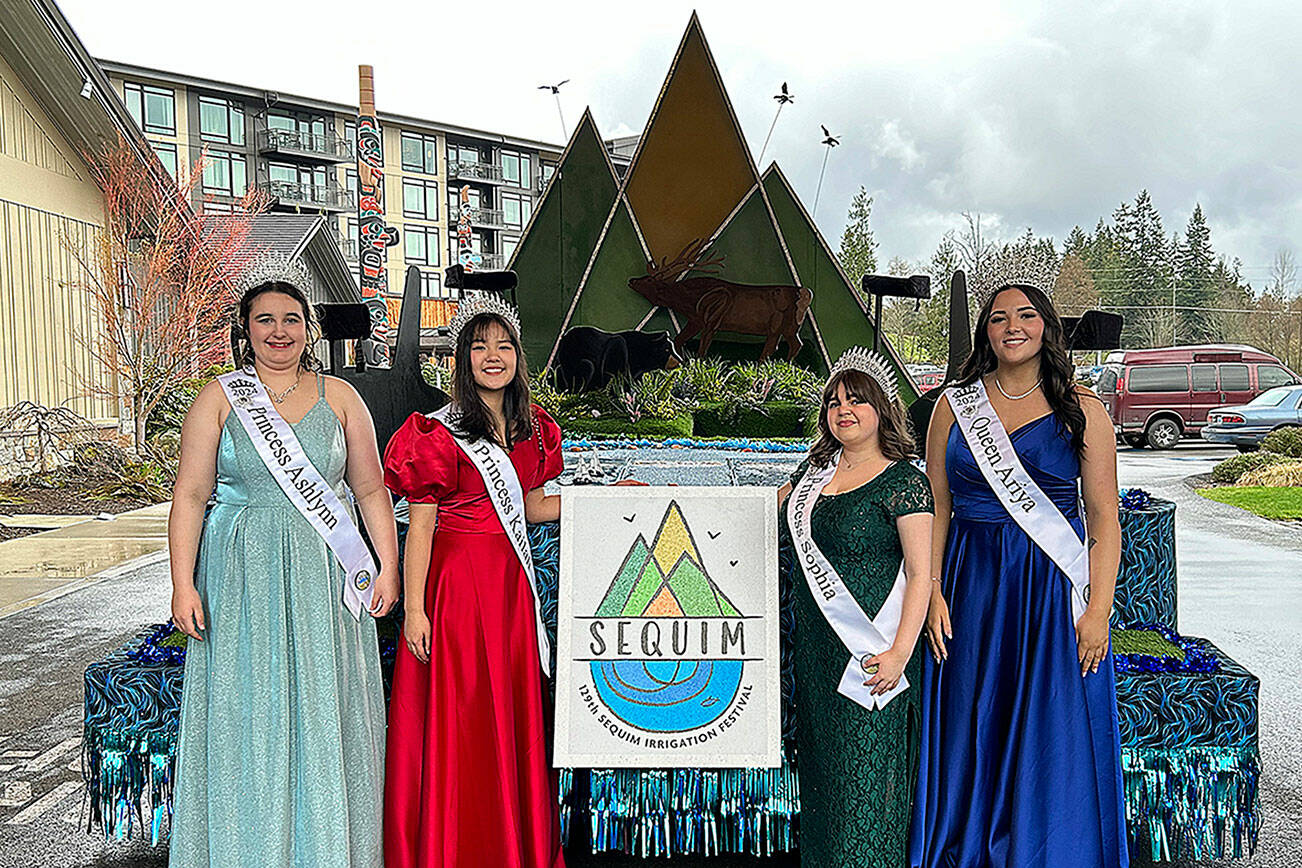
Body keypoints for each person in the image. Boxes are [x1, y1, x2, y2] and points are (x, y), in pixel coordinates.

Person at [167, 268, 400, 868]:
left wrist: (390, 567)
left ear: (309, 329)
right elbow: (190, 495)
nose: (279, 331)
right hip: (244, 579)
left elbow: (371, 490)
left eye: (291, 319)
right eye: (265, 319)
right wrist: (182, 583)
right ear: (246, 330)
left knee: (329, 711)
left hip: (327, 578)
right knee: (251, 714)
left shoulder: (341, 398)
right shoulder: (218, 399)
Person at [910, 282, 1129, 868]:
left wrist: (1098, 610)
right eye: (999, 317)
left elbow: (1105, 519)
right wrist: (930, 590)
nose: (1013, 326)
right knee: (967, 718)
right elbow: (936, 505)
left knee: (1046, 724)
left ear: (1046, 327)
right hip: (969, 584)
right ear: (985, 331)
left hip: (1050, 589)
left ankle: (1044, 846)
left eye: (1026, 315)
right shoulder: (952, 406)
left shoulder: (1084, 411)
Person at [382, 297, 566, 868]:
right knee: (458, 717)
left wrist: (610, 502)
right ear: (463, 359)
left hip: (511, 589)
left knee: (508, 717)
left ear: (518, 357)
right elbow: (422, 525)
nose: (493, 356)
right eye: (480, 346)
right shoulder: (437, 434)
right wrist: (414, 609)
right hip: (456, 589)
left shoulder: (535, 430)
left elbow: (532, 508)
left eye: (504, 345)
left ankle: (511, 846)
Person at [777, 348, 934, 868]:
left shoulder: (905, 481)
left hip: (873, 656)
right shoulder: (812, 478)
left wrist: (898, 653)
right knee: (826, 785)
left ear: (882, 410)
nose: (844, 410)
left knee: (869, 784)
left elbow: (920, 575)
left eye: (857, 401)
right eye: (835, 402)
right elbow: (769, 511)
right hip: (819, 658)